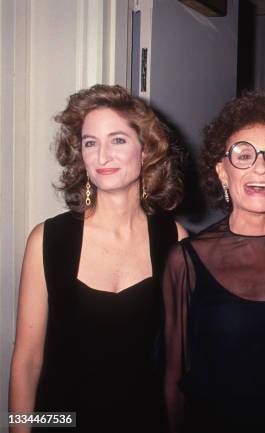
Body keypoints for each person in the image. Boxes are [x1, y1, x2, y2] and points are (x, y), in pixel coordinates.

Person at [9, 84, 187, 433]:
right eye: (91, 142)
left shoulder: (176, 240)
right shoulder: (47, 240)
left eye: (117, 140)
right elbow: (27, 362)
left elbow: (181, 366)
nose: (102, 156)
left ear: (146, 149)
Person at [162, 93, 265, 433]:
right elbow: (172, 377)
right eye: (243, 155)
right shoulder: (186, 259)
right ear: (222, 172)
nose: (260, 168)